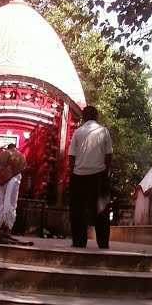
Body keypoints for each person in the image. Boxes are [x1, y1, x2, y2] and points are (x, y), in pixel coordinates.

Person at [68, 106, 112, 249]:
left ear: (83, 117)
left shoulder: (77, 132)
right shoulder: (103, 131)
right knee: (102, 209)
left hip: (79, 175)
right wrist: (106, 172)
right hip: (99, 174)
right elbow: (109, 155)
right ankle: (103, 243)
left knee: (78, 210)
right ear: (97, 116)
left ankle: (79, 242)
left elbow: (71, 156)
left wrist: (74, 171)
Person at [0, 143, 26, 235]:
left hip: (1, 179)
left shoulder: (2, 155)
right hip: (13, 179)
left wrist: (2, 177)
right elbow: (22, 167)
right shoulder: (21, 156)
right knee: (10, 203)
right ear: (15, 148)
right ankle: (8, 227)